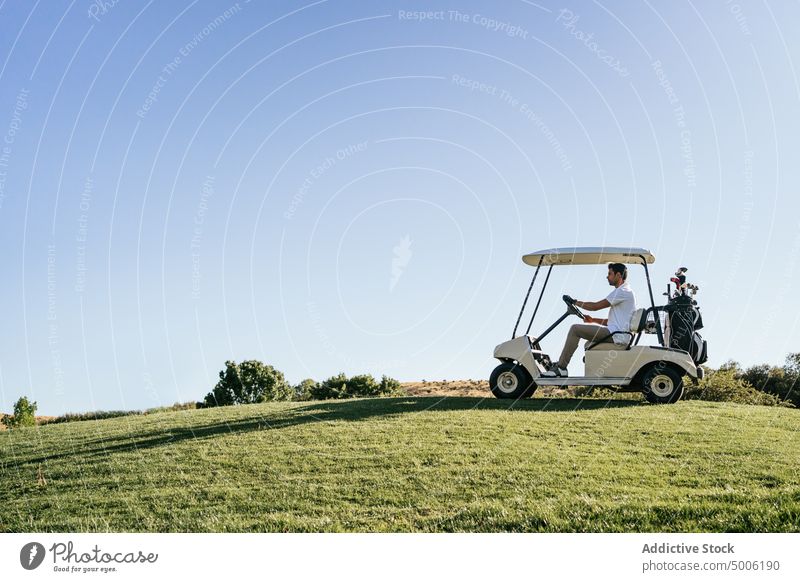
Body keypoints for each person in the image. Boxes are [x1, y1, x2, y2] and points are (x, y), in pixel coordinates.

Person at [542, 262, 636, 377]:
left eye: (609, 274)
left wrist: (575, 302)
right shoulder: (624, 291)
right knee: (585, 340)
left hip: (617, 336)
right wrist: (593, 320)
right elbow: (611, 322)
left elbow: (595, 307)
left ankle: (561, 368)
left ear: (618, 275)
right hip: (616, 334)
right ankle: (561, 366)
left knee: (575, 329)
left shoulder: (622, 292)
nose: (607, 276)